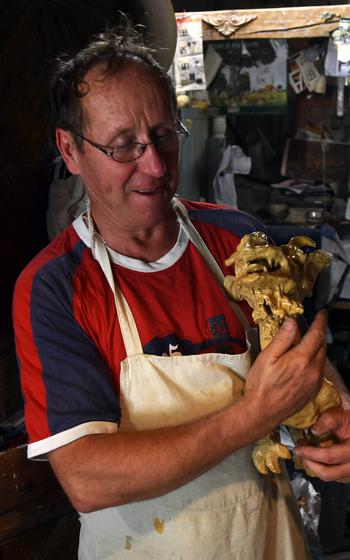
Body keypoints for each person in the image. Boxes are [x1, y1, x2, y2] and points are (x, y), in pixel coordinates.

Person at [13, 20, 350, 560]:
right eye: (123, 146)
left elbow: (301, 361)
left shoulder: (239, 241)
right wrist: (253, 416)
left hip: (267, 543)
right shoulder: (55, 287)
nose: (154, 165)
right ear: (71, 150)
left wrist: (336, 413)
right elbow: (88, 477)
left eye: (165, 135)